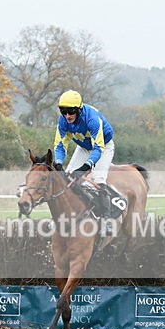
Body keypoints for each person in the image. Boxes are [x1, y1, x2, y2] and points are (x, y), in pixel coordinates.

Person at [52, 89, 116, 232]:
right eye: (64, 111)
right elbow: (60, 145)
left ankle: (106, 220)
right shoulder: (63, 121)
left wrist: (84, 167)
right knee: (67, 177)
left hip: (103, 146)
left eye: (71, 111)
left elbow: (98, 148)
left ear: (79, 109)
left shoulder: (92, 119)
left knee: (99, 179)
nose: (67, 116)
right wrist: (58, 162)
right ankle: (63, 216)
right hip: (83, 147)